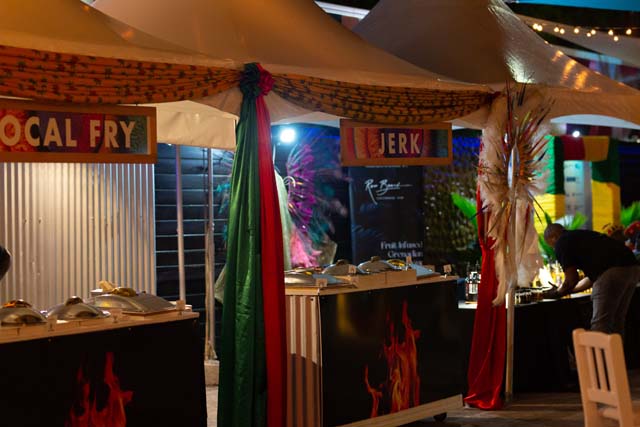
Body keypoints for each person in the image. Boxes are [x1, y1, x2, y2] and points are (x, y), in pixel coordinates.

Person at [543, 223, 640, 334]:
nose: (554, 248)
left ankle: (598, 346)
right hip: (633, 268)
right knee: (616, 320)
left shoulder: (562, 242)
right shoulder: (581, 236)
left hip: (613, 272)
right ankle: (616, 346)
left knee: (601, 324)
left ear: (553, 237)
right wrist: (569, 290)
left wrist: (557, 293)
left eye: (552, 246)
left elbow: (571, 280)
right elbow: (591, 279)